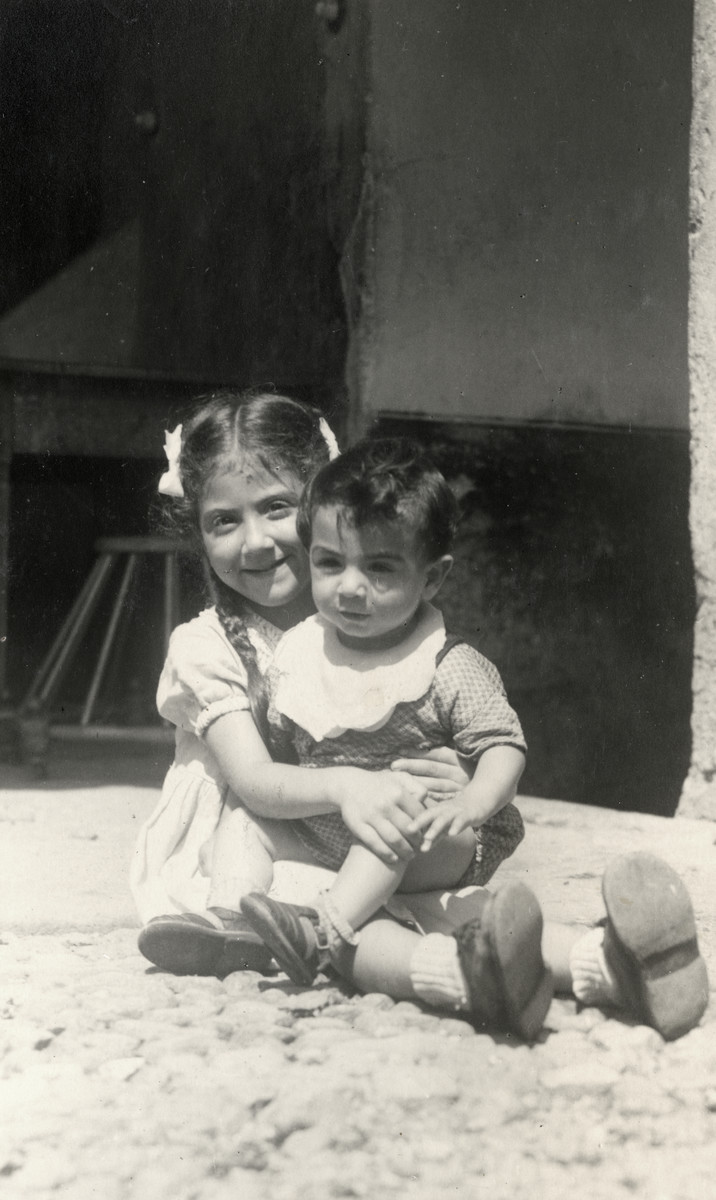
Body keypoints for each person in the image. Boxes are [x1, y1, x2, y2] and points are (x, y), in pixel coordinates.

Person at [132, 391, 709, 1042]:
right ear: (197, 531)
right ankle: (541, 974)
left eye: (275, 509)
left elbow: (458, 725)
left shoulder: (380, 617)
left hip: (384, 834)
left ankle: (619, 963)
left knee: (433, 897)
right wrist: (354, 786)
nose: (257, 541)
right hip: (278, 838)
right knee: (396, 922)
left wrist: (460, 778)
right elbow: (255, 782)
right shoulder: (212, 645)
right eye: (223, 522)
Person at [214, 437, 527, 982]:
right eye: (330, 563)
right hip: (332, 832)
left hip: (434, 840)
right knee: (245, 823)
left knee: (394, 820)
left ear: (431, 577)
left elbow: (503, 746)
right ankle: (227, 922)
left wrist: (475, 800)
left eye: (380, 569)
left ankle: (324, 929)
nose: (350, 589)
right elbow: (281, 756)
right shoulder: (303, 654)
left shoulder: (446, 664)